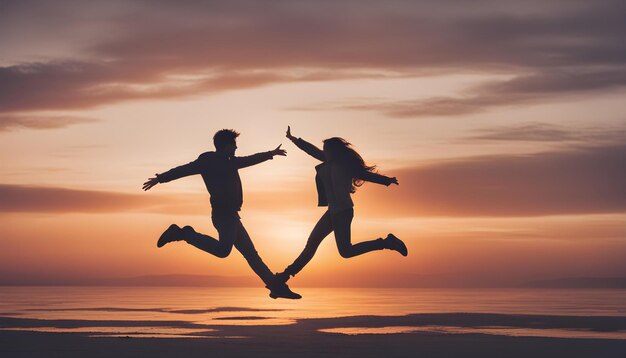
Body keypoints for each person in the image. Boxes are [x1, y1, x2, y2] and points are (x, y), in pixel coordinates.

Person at [142, 129, 301, 299]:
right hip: (223, 215)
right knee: (223, 251)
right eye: (234, 145)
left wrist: (271, 153)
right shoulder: (210, 161)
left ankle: (276, 286)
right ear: (226, 146)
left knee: (251, 255)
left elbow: (249, 160)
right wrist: (161, 178)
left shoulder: (229, 161)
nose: (236, 149)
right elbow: (184, 170)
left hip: (232, 216)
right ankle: (184, 233)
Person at [273, 126, 408, 289]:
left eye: (326, 150)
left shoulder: (346, 165)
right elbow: (310, 150)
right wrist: (294, 139)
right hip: (332, 212)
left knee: (346, 252)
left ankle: (387, 243)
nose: (324, 153)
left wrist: (387, 180)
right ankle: (285, 275)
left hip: (343, 212)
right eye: (323, 150)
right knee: (311, 245)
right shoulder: (327, 161)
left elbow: (366, 175)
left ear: (335, 151)